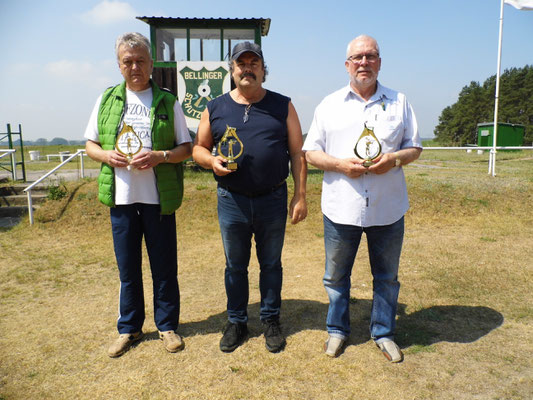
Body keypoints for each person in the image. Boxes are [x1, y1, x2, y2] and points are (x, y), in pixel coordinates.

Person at [303, 35, 422, 362]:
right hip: (341, 208)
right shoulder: (328, 105)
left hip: (388, 208)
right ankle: (337, 330)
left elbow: (415, 146)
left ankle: (383, 331)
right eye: (357, 57)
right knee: (336, 276)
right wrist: (341, 165)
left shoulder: (399, 101)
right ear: (347, 65)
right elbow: (311, 152)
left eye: (370, 56)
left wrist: (394, 160)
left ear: (379, 62)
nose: (364, 63)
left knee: (386, 277)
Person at [192, 41, 307, 353]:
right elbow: (198, 148)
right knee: (235, 266)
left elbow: (297, 153)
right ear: (232, 71)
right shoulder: (214, 107)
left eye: (253, 63)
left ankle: (270, 319)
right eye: (241, 64)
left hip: (272, 199)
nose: (247, 68)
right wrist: (210, 161)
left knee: (271, 264)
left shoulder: (283, 105)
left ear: (263, 70)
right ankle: (237, 321)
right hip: (232, 199)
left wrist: (300, 195)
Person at [84, 32, 192, 358]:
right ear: (119, 66)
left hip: (159, 199)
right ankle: (129, 328)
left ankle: (167, 326)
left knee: (164, 267)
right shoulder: (106, 100)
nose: (135, 67)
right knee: (127, 269)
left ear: (151, 63)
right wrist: (106, 156)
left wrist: (160, 156)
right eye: (128, 61)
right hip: (122, 199)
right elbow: (90, 145)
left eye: (140, 61)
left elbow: (185, 148)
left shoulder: (167, 101)